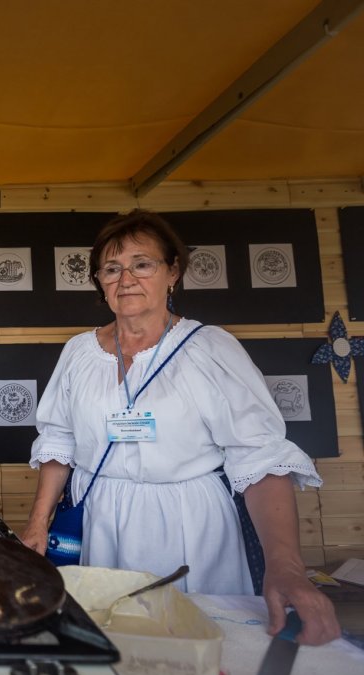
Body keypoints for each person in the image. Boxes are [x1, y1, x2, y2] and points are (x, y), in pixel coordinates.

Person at [20, 209, 339, 645]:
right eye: (111, 269)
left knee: (198, 644)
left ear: (172, 272)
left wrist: (286, 566)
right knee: (109, 643)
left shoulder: (209, 348)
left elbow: (260, 458)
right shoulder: (79, 352)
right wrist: (38, 523)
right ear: (99, 281)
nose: (125, 279)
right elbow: (59, 440)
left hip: (192, 524)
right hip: (101, 522)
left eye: (142, 264)